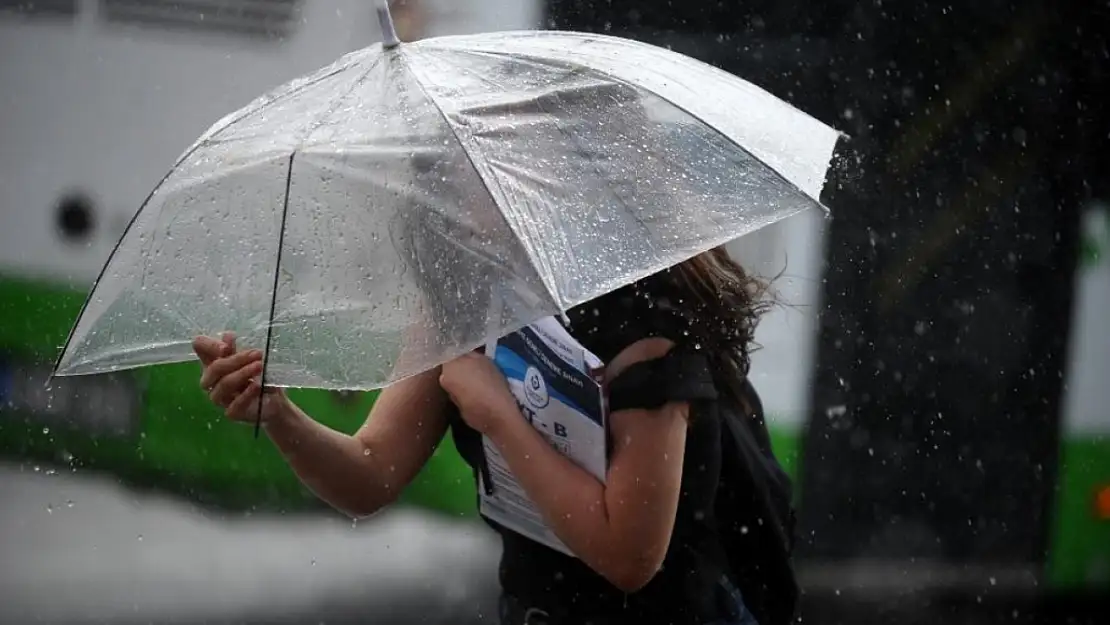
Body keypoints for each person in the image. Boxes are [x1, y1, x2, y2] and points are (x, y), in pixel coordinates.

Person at [192, 246, 794, 625]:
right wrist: (280, 416)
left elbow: (628, 557)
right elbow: (369, 473)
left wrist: (498, 415)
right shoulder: (465, 300)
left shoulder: (646, 330)